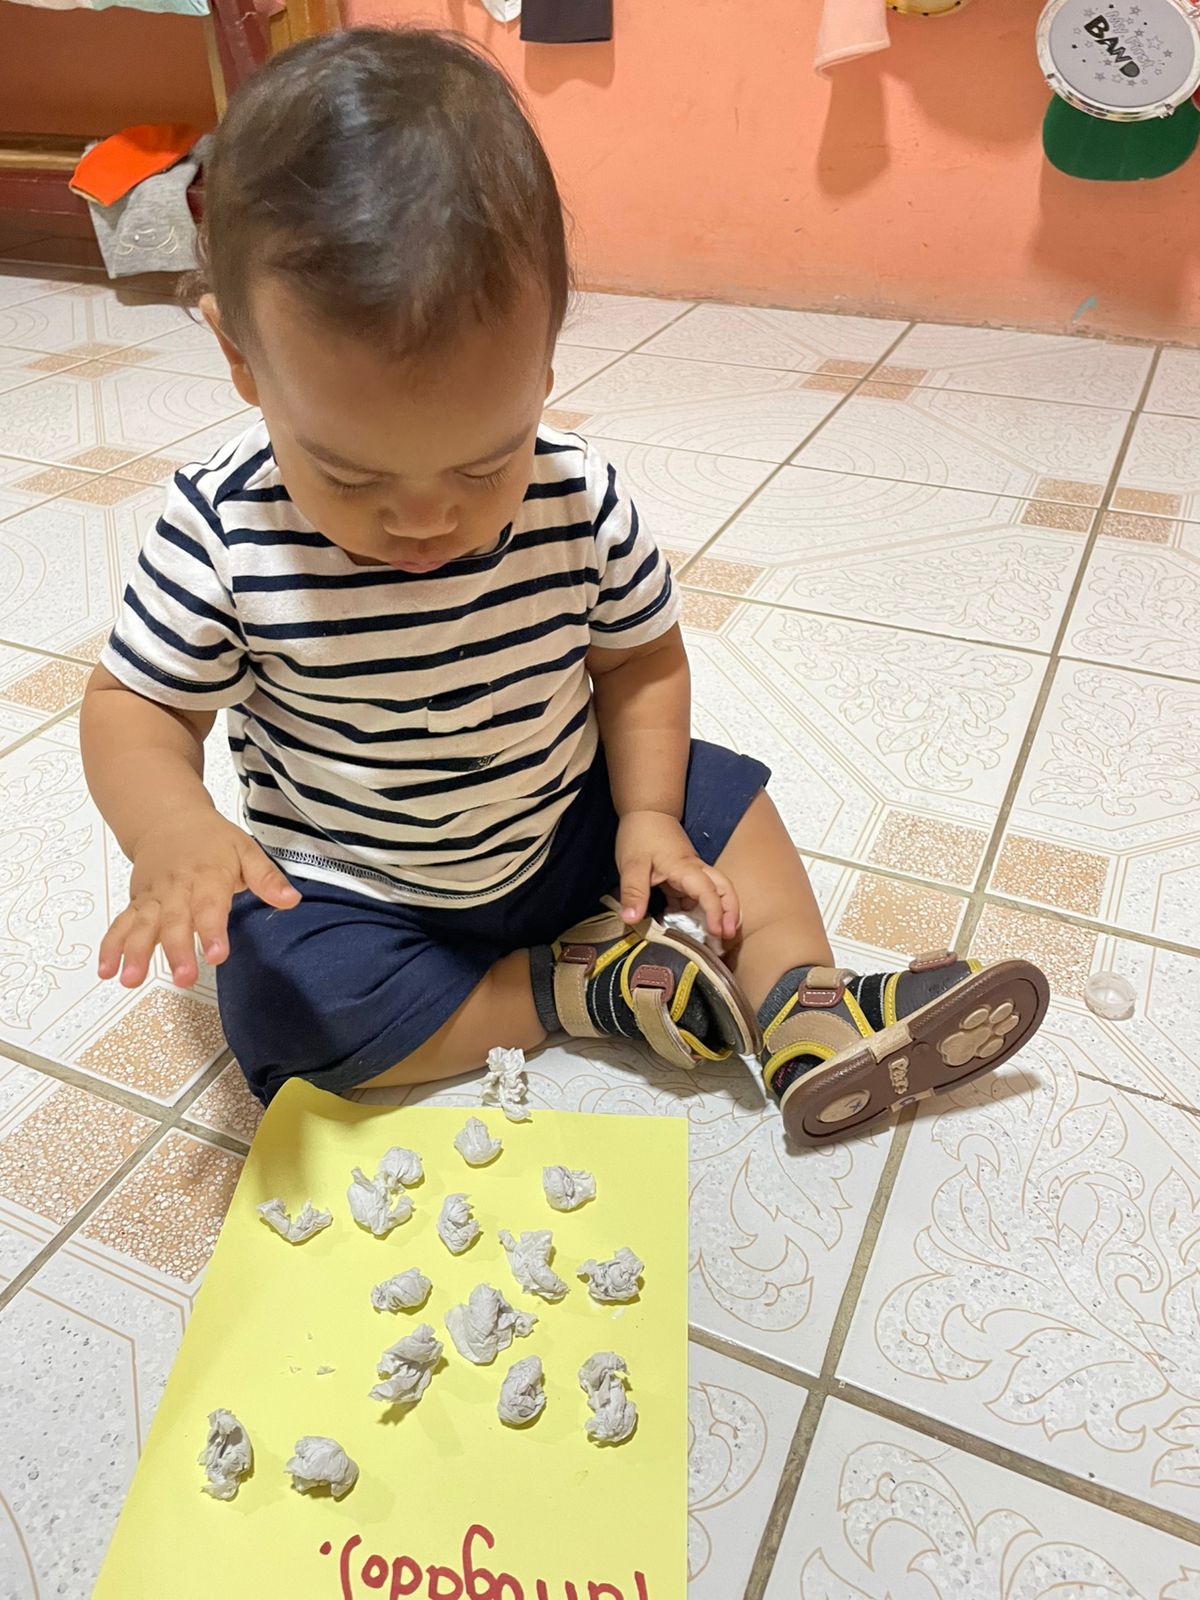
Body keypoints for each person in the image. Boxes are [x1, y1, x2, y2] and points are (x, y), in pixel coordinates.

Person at [79, 27, 1049, 1145]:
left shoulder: (576, 497)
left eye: (482, 463)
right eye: (351, 475)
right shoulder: (222, 529)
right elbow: (134, 709)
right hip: (360, 889)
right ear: (241, 358)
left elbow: (640, 661)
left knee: (727, 799)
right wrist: (173, 828)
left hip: (571, 828)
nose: (425, 518)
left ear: (544, 362)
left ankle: (802, 1002)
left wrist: (647, 812)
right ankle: (575, 989)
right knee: (280, 1006)